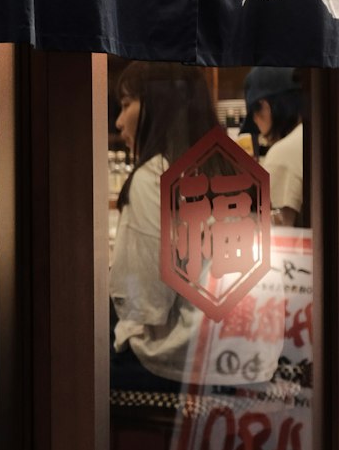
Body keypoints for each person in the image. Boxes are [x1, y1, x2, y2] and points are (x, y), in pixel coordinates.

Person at [109, 62, 219, 392]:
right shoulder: (228, 168)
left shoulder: (153, 178)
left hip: (177, 360)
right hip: (238, 355)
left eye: (127, 104)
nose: (118, 121)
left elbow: (145, 303)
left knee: (64, 362)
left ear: (158, 105)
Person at [242, 66, 304, 227]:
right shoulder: (317, 136)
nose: (256, 123)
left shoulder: (283, 154)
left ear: (264, 106)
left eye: (253, 115)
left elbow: (281, 230)